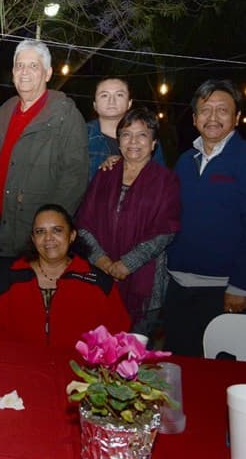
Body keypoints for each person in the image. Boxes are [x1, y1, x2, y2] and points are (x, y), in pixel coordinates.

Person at [165, 79, 246, 356]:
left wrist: (239, 285)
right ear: (194, 119)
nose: (212, 117)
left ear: (237, 117)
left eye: (222, 110)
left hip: (223, 291)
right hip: (179, 287)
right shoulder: (185, 161)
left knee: (218, 376)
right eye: (205, 110)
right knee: (177, 369)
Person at [0, 39, 88, 281]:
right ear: (12, 73)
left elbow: (74, 179)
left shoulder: (65, 115)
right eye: (20, 66)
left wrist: (49, 232)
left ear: (48, 73)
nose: (25, 72)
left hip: (35, 239)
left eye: (33, 66)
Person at [77, 107, 181, 337]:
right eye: (126, 134)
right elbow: (84, 223)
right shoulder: (105, 173)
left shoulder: (166, 181)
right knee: (100, 348)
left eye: (142, 134)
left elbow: (165, 231)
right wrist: (102, 260)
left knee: (135, 357)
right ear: (119, 140)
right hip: (100, 278)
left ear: (154, 143)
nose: (133, 141)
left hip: (144, 284)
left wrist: (126, 264)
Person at [0, 204, 130, 348]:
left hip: (79, 370)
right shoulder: (8, 280)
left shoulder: (98, 283)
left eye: (57, 230)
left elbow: (118, 338)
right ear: (33, 239)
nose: (48, 238)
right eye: (40, 231)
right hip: (18, 368)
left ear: (72, 235)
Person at [87, 77, 165, 181]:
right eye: (104, 95)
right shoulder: (80, 135)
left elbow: (160, 179)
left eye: (119, 95)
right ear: (95, 104)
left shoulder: (146, 138)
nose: (112, 101)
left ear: (129, 103)